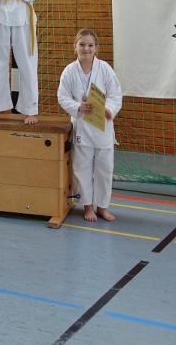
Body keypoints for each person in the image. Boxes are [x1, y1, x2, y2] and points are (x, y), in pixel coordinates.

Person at [57, 29, 123, 221]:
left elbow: (115, 94)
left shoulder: (105, 69)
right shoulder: (69, 71)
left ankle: (102, 207)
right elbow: (62, 96)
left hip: (102, 127)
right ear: (75, 46)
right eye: (82, 44)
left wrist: (109, 109)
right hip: (82, 128)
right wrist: (78, 106)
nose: (86, 48)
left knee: (105, 169)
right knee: (82, 169)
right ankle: (87, 207)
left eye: (90, 45)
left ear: (96, 48)